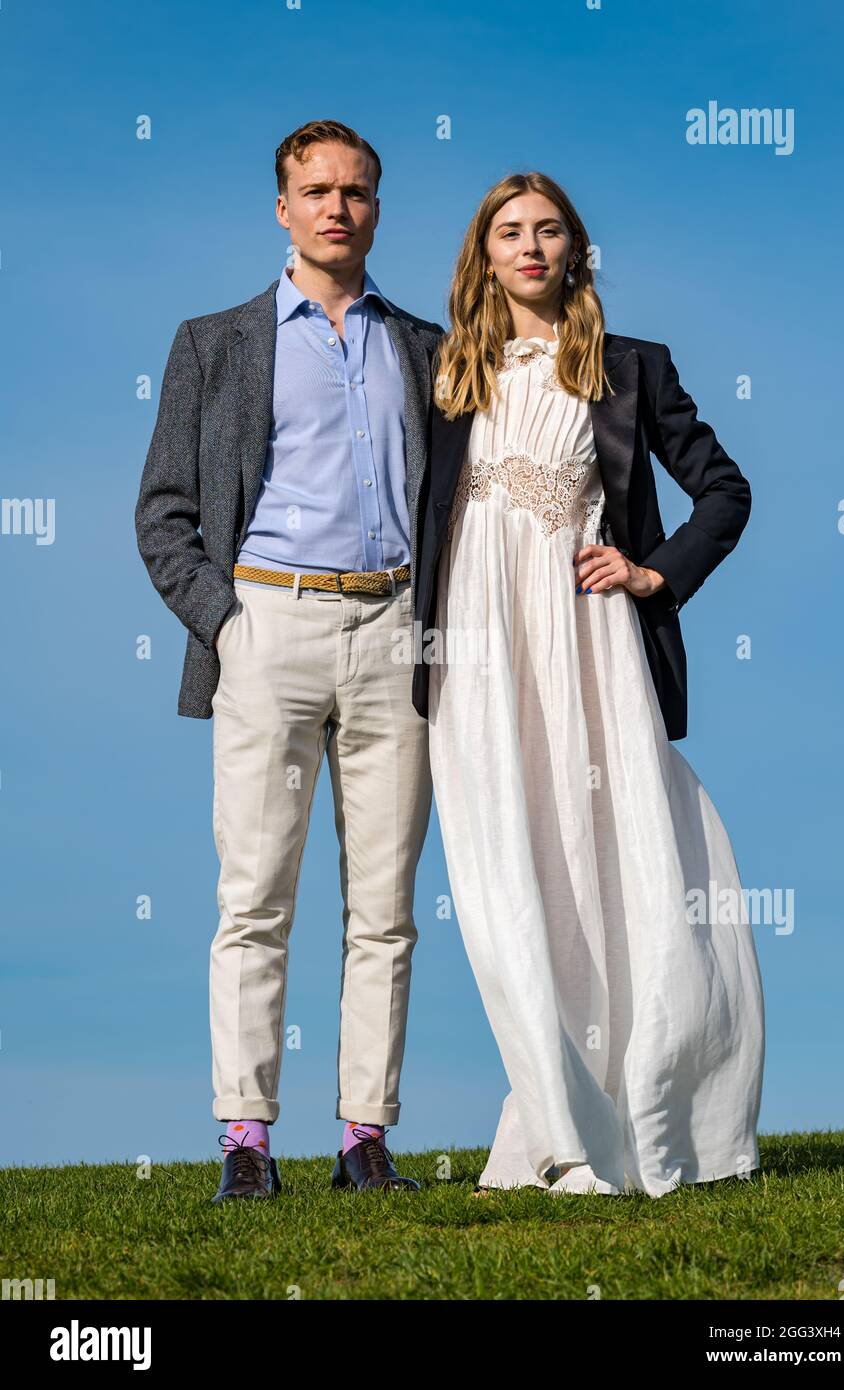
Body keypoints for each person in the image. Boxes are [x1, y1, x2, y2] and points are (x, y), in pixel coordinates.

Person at [411, 171, 766, 1197]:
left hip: (587, 644)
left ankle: (625, 1113)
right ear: (483, 253)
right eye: (509, 232)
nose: (530, 247)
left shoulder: (630, 367)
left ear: (576, 248)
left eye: (549, 230)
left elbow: (725, 490)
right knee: (501, 874)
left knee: (604, 857)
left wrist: (655, 571)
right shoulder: (443, 372)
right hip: (474, 649)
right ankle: (557, 1129)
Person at [135, 120, 444, 1200]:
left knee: (386, 905)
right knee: (254, 896)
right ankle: (247, 1146)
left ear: (376, 207)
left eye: (357, 191)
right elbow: (164, 511)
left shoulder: (426, 347)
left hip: (395, 630)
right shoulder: (211, 343)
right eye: (316, 190)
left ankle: (366, 1139)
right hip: (267, 625)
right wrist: (225, 624)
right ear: (282, 206)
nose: (337, 208)